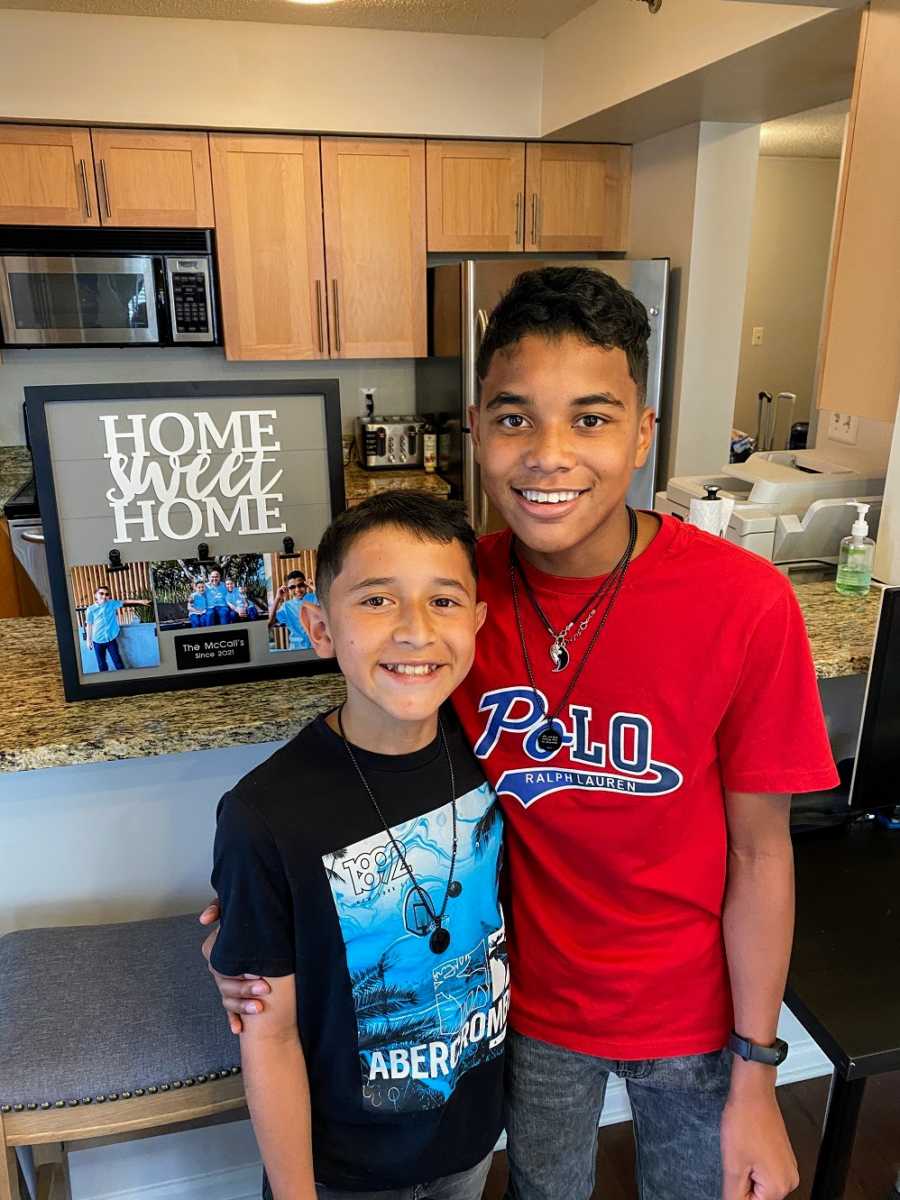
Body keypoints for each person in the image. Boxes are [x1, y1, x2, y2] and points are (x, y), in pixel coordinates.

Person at [204, 267, 838, 1200]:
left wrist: (758, 1069)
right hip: (527, 1015)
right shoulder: (459, 596)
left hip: (697, 1020)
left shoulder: (745, 603)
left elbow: (760, 853)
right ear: (476, 428)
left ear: (641, 435)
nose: (548, 455)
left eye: (591, 418)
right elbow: (369, 770)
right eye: (514, 419)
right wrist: (252, 927)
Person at [210, 492, 507, 1200]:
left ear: (477, 622)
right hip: (342, 1170)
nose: (414, 631)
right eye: (377, 601)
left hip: (471, 1139)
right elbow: (269, 1035)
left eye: (444, 601)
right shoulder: (264, 814)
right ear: (320, 627)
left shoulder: (498, 756)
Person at [84, 585, 147, 672]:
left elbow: (125, 601)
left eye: (107, 594)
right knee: (101, 663)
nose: (104, 596)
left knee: (117, 660)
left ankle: (123, 678)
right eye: (101, 593)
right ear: (95, 595)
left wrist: (140, 601)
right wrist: (88, 640)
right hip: (98, 640)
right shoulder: (90, 609)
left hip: (111, 638)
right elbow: (89, 625)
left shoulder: (112, 603)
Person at [268, 570, 314, 650]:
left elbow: (330, 609)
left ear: (306, 585)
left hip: (317, 649)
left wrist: (313, 587)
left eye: (300, 585)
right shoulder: (286, 607)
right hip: (296, 650)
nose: (297, 590)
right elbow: (270, 624)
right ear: (288, 589)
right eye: (292, 587)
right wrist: (277, 599)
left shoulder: (315, 598)